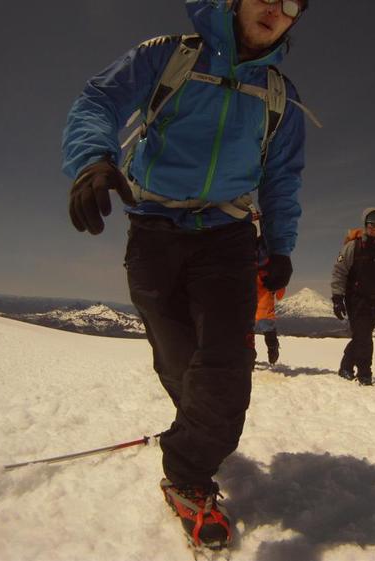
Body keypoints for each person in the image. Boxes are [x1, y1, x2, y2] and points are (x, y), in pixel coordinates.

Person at [61, 0, 309, 550]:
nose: (277, 8)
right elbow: (100, 99)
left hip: (228, 236)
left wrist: (281, 247)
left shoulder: (280, 97)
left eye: (293, 3)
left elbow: (283, 179)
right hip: (152, 228)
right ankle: (198, 424)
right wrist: (92, 159)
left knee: (224, 365)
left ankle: (189, 475)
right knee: (177, 358)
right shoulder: (169, 57)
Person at [331, 208, 375, 386]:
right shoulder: (353, 247)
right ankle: (364, 372)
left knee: (361, 335)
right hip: (356, 299)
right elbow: (339, 272)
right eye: (370, 224)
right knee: (364, 336)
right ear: (365, 226)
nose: (374, 228)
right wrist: (337, 298)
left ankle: (346, 366)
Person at [256, 239, 286, 364]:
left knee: (246, 336)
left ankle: (249, 360)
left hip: (248, 309)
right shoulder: (272, 271)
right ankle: (273, 351)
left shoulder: (247, 269)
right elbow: (280, 294)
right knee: (269, 333)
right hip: (266, 311)